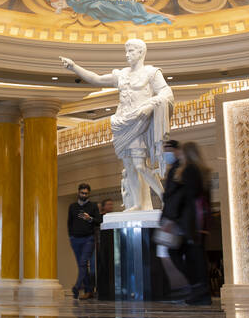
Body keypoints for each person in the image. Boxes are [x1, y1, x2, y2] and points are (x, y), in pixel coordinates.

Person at [60, 39, 173, 211]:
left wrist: (151, 105)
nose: (127, 55)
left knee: (140, 165)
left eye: (131, 51)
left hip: (139, 122)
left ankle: (164, 197)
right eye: (126, 51)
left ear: (141, 52)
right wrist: (74, 67)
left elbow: (166, 92)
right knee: (129, 166)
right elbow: (96, 79)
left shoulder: (151, 73)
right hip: (122, 123)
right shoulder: (121, 74)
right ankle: (137, 203)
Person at [157, 140, 211, 305]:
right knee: (194, 255)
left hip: (186, 221)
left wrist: (172, 217)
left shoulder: (188, 170)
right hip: (193, 221)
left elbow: (183, 196)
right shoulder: (201, 171)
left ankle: (198, 287)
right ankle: (200, 291)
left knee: (179, 253)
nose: (177, 154)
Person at [67, 183, 101, 299]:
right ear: (78, 192)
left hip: (88, 239)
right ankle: (88, 290)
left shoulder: (93, 206)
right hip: (75, 239)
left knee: (83, 263)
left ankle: (77, 287)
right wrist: (71, 237)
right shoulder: (72, 207)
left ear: (89, 194)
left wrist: (89, 218)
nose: (84, 195)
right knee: (81, 266)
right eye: (82, 193)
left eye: (86, 193)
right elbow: (69, 223)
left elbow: (99, 220)